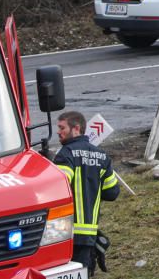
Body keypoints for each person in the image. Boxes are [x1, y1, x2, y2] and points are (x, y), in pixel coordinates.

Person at [53, 111, 119, 275]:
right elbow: (112, 192)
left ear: (76, 128)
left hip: (64, 232)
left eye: (62, 127)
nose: (58, 132)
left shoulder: (66, 154)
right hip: (89, 233)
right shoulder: (102, 156)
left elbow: (60, 187)